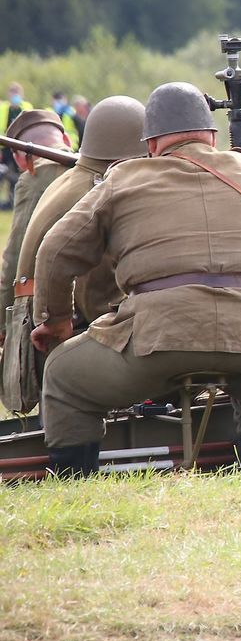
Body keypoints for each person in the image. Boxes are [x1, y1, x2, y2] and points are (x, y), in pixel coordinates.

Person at [31, 82, 241, 476]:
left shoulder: (124, 178)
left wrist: (56, 320)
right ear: (211, 136)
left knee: (63, 376)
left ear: (152, 144)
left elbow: (55, 251)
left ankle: (74, 483)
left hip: (158, 341)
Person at [0, 99, 148, 413]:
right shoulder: (99, 189)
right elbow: (94, 294)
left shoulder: (64, 180)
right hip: (63, 330)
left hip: (44, 323)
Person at [0, 111, 73, 318]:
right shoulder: (91, 166)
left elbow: (17, 255)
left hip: (52, 306)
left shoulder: (34, 179)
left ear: (18, 158)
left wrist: (3, 319)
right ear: (66, 139)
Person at [1, 83, 35, 209]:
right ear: (8, 94)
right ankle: (8, 201)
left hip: (22, 147)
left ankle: (19, 200)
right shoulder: (3, 108)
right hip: (5, 147)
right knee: (5, 174)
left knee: (21, 175)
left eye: (17, 93)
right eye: (12, 92)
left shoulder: (27, 107)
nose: (15, 96)